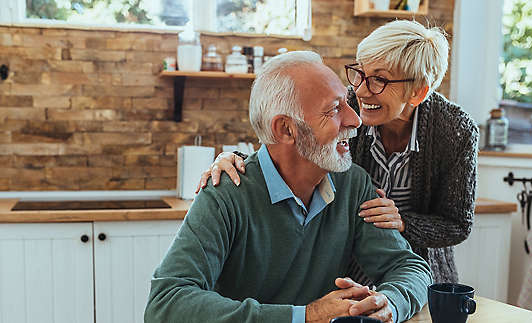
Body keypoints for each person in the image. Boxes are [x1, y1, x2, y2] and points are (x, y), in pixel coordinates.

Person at [145, 51, 432, 323]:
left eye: (346, 102)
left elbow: (411, 268)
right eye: (334, 109)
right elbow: (166, 304)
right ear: (286, 129)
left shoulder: (352, 184)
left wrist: (390, 303)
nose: (355, 120)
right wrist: (304, 316)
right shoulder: (226, 192)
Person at [196, 20, 479, 284]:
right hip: (344, 276)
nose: (362, 91)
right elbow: (292, 143)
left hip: (417, 276)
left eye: (379, 80)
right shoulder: (349, 104)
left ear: (418, 92)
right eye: (360, 72)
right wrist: (237, 159)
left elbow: (457, 224)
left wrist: (404, 222)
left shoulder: (455, 130)